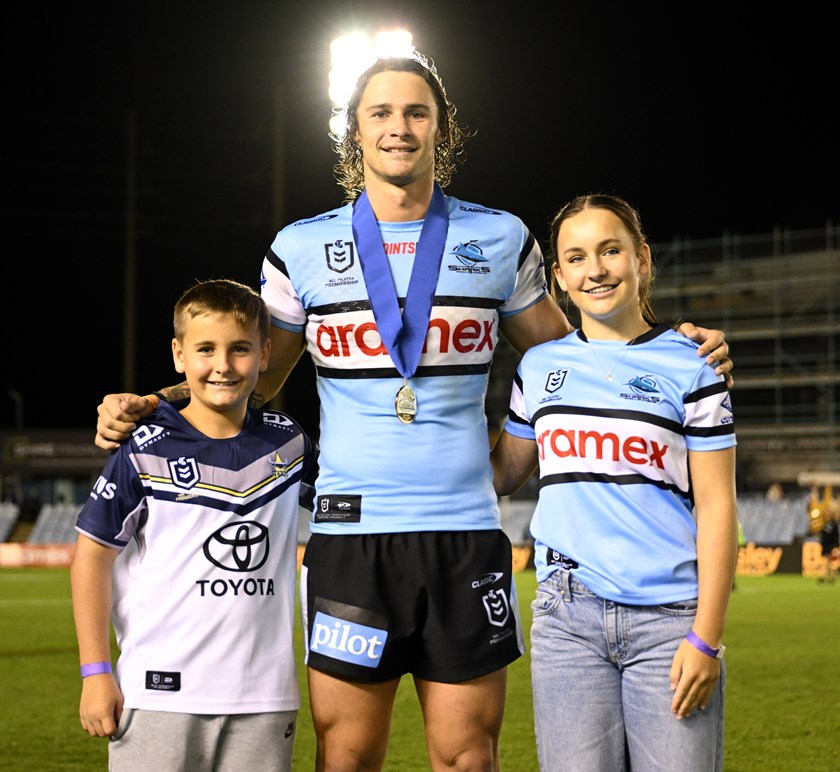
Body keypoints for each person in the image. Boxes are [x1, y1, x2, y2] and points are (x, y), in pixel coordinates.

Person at [93, 51, 733, 771]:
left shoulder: (500, 239)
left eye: (416, 112)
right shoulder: (300, 248)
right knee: (346, 755)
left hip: (464, 534)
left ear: (441, 129)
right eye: (381, 113)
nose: (398, 127)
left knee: (468, 757)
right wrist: (158, 400)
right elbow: (252, 377)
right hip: (349, 538)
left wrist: (673, 346)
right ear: (355, 132)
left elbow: (580, 360)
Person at [490, 193, 738, 771]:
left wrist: (706, 638)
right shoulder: (538, 368)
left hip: (670, 622)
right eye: (576, 258)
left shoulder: (694, 364)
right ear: (559, 278)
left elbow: (718, 506)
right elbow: (501, 473)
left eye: (610, 251)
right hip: (567, 620)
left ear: (642, 258)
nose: (595, 270)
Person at [71, 279, 318, 772]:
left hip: (264, 697)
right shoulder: (142, 447)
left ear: (265, 355)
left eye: (240, 349)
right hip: (157, 693)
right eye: (205, 349)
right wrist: (95, 672)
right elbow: (91, 558)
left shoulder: (290, 444)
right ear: (178, 355)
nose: (223, 365)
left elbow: (340, 519)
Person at [818, 502, 839, 583]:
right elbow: (823, 535)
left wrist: (836, 546)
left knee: (830, 561)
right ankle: (830, 576)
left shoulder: (834, 524)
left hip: (831, 545)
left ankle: (829, 576)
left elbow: (836, 536)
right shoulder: (825, 524)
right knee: (827, 561)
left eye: (829, 512)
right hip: (825, 545)